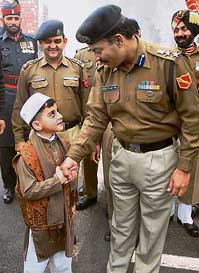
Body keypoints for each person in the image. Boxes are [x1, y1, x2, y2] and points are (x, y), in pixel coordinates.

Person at [60, 5, 199, 273]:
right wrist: (72, 157)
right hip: (121, 158)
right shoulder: (105, 71)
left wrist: (184, 168)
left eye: (99, 50)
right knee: (120, 229)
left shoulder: (168, 64)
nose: (96, 58)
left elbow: (192, 121)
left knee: (151, 235)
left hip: (159, 161)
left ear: (120, 41)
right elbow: (95, 119)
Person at [75, 18, 141, 243]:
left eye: (99, 50)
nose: (96, 57)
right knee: (113, 182)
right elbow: (94, 111)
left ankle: (134, 226)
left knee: (139, 190)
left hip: (147, 145)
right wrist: (78, 151)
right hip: (108, 127)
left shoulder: (160, 62)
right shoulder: (97, 64)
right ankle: (115, 223)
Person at [13, 92, 75, 273]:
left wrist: (72, 201)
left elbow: (71, 180)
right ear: (37, 124)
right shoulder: (26, 155)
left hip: (64, 220)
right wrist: (57, 180)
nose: (60, 116)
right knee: (34, 268)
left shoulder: (63, 143)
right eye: (52, 114)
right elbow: (29, 190)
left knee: (63, 267)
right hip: (41, 226)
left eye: (57, 111)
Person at [12, 19, 88, 164]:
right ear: (41, 43)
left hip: (71, 133)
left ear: (65, 41)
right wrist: (19, 139)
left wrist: (88, 139)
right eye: (48, 42)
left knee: (71, 177)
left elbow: (87, 107)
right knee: (45, 179)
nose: (53, 46)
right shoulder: (29, 70)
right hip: (40, 135)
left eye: (57, 41)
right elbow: (19, 107)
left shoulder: (78, 68)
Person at [0, 0, 38, 204]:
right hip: (5, 100)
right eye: (9, 18)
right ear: (3, 19)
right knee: (5, 147)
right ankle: (8, 185)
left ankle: (26, 182)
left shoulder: (32, 42)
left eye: (16, 18)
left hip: (27, 100)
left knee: (27, 142)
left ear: (20, 18)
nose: (13, 22)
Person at [170, 10, 199, 237]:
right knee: (169, 164)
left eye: (183, 29)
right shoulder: (167, 57)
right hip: (171, 122)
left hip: (193, 122)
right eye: (176, 29)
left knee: (191, 166)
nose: (179, 34)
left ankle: (185, 212)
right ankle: (168, 209)